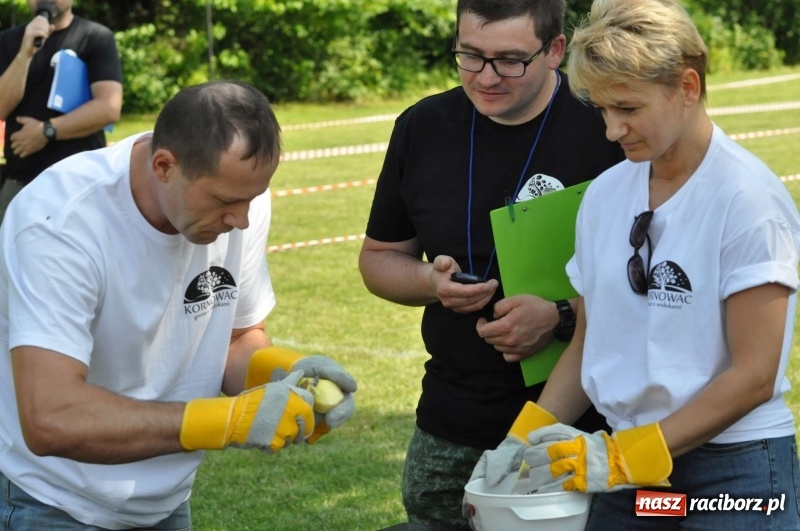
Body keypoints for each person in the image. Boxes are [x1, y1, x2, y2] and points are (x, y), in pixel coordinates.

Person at [473, 0, 800, 529]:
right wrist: (521, 437)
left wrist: (622, 456)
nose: (611, 130)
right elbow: (590, 339)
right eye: (602, 110)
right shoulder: (604, 195)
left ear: (687, 87)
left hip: (734, 472)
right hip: (632, 472)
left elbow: (755, 376)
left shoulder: (747, 200)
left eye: (627, 108)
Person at [0, 80, 357, 530]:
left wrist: (286, 376)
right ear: (165, 167)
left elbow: (235, 339)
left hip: (166, 503)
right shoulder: (60, 223)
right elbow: (51, 418)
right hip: (57, 502)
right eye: (226, 201)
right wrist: (224, 421)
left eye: (252, 198)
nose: (241, 220)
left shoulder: (241, 196)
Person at [358, 0, 624, 528]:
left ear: (555, 51)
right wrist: (431, 283)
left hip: (584, 422)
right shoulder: (422, 127)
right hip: (452, 414)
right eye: (469, 56)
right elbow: (378, 259)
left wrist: (560, 316)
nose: (485, 77)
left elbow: (650, 283)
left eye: (509, 60)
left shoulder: (607, 127)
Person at [0, 0, 123, 220]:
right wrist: (24, 54)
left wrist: (46, 131)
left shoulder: (96, 38)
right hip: (22, 181)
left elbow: (109, 107)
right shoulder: (8, 41)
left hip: (82, 182)